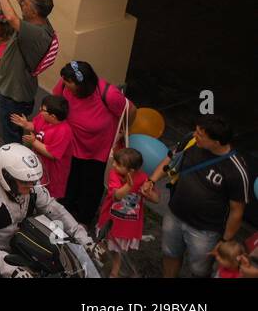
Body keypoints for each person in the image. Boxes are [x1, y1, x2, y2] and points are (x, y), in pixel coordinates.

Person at [0, 144, 92, 278]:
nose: (32, 186)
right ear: (8, 178)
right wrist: (12, 270)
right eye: (25, 182)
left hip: (13, 243)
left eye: (34, 181)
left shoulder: (30, 184)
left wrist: (83, 238)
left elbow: (54, 208)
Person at [148, 115, 251, 278]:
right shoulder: (191, 141)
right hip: (174, 214)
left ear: (216, 142)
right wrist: (151, 180)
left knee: (199, 270)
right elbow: (171, 158)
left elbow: (237, 211)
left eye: (200, 135)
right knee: (170, 254)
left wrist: (224, 241)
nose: (195, 136)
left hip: (205, 230)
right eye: (196, 131)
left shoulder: (236, 171)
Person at [50, 60, 134, 224]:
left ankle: (84, 218)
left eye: (68, 83)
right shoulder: (64, 84)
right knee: (69, 178)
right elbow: (56, 100)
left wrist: (124, 131)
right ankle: (65, 209)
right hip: (71, 145)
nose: (64, 84)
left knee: (90, 184)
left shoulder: (108, 94)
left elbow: (130, 110)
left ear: (82, 84)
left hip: (96, 150)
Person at [0, 0, 57, 145]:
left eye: (25, 5)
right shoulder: (37, 19)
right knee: (12, 132)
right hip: (16, 90)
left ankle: (9, 166)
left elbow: (11, 18)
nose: (22, 5)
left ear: (34, 11)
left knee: (9, 137)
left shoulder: (36, 33)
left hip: (14, 95)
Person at [97, 147, 157, 277]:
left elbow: (157, 199)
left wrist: (148, 192)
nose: (113, 165)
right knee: (102, 241)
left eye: (118, 164)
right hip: (110, 219)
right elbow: (117, 196)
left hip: (127, 223)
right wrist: (129, 186)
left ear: (131, 170)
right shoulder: (114, 174)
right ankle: (97, 259)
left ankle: (115, 271)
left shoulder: (143, 179)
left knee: (117, 249)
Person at [12, 94, 73, 199]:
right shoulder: (43, 117)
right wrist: (26, 124)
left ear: (53, 116)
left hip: (53, 173)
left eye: (43, 109)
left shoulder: (64, 132)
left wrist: (34, 142)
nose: (40, 109)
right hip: (40, 165)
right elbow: (35, 126)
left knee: (47, 195)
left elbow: (51, 154)